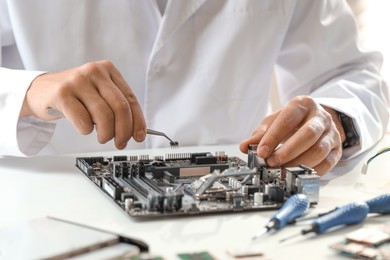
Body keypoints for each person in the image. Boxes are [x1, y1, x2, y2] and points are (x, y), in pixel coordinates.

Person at [0, 0, 388, 176]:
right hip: (43, 210)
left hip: (225, 212)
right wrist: (29, 91)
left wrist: (334, 120)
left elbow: (353, 72)